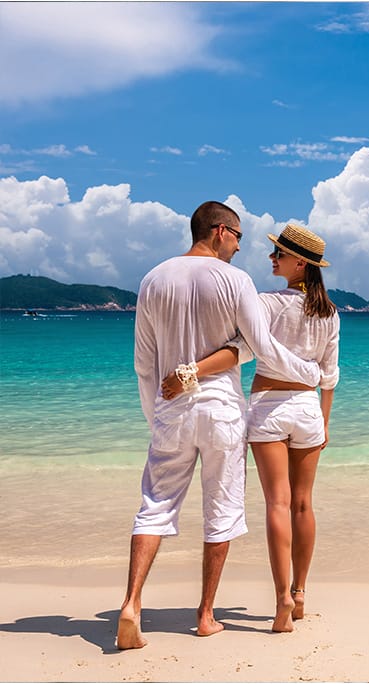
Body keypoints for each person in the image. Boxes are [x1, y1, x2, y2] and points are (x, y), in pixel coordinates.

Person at [118, 202, 321, 650]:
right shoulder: (235, 281)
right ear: (221, 232)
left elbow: (144, 364)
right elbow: (260, 346)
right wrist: (309, 375)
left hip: (172, 410)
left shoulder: (153, 279)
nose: (241, 246)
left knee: (154, 507)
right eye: (240, 237)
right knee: (222, 512)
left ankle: (131, 603)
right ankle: (206, 615)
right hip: (223, 411)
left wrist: (156, 416)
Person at [161, 223, 339, 633]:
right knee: (303, 504)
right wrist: (324, 422)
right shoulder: (329, 313)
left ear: (300, 263)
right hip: (309, 408)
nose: (272, 258)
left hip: (269, 407)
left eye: (279, 253)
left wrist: (191, 372)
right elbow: (329, 375)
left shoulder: (266, 303)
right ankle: (299, 594)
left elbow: (240, 351)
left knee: (277, 504)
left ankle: (280, 603)